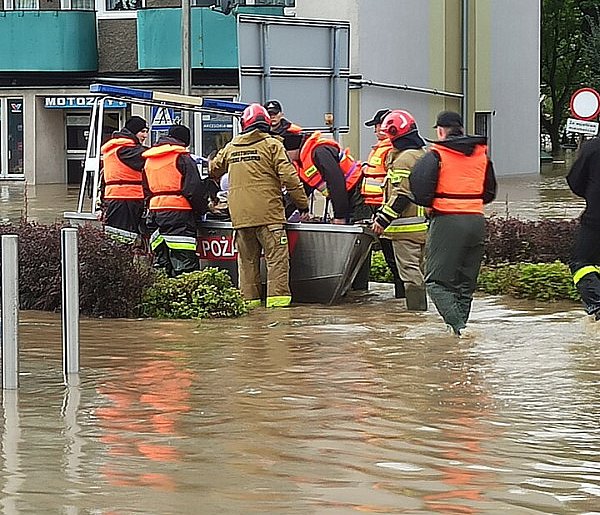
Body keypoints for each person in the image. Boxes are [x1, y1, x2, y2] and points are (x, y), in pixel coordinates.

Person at [209, 103, 309, 308]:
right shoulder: (273, 145)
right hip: (269, 217)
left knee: (246, 265)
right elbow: (290, 178)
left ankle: (250, 311)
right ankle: (278, 315)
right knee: (277, 262)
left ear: (244, 124)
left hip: (240, 219)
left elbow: (213, 169)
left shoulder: (232, 147)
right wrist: (302, 205)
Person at [410, 111, 497, 335]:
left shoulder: (437, 154)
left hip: (448, 220)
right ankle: (459, 331)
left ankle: (458, 328)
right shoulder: (481, 155)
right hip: (477, 221)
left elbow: (419, 189)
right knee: (465, 285)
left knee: (435, 282)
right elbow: (489, 193)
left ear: (440, 130)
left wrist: (436, 201)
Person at [371, 110, 428, 311]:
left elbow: (402, 195)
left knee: (410, 274)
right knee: (420, 271)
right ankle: (421, 311)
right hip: (421, 226)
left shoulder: (404, 159)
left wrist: (382, 219)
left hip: (405, 228)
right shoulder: (422, 155)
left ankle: (415, 315)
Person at [142, 124, 208, 277]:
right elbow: (194, 189)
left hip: (155, 213)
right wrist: (203, 210)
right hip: (179, 213)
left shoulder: (150, 159)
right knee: (185, 264)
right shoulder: (182, 157)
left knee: (162, 262)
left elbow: (145, 189)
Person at [360, 108, 405, 298]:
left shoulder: (390, 150)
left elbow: (395, 183)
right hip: (377, 208)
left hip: (386, 210)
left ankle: (403, 298)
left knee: (394, 259)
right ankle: (402, 301)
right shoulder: (381, 148)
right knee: (391, 258)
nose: (375, 130)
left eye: (377, 126)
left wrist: (384, 213)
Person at [287, 131, 364, 224]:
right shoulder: (302, 163)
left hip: (357, 193)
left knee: (358, 231)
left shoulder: (320, 151)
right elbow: (299, 191)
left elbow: (336, 182)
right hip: (346, 196)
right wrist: (283, 215)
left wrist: (340, 216)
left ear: (292, 149)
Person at [100, 115, 149, 244]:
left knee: (118, 238)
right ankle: (122, 262)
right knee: (123, 239)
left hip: (116, 198)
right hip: (127, 199)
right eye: (142, 131)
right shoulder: (126, 149)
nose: (145, 135)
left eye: (146, 131)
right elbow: (148, 157)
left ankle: (119, 261)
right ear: (133, 132)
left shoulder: (113, 148)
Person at [566, 137, 600, 319]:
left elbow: (575, 181)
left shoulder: (593, 147)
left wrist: (592, 196)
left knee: (580, 263)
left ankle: (597, 304)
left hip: (596, 219)